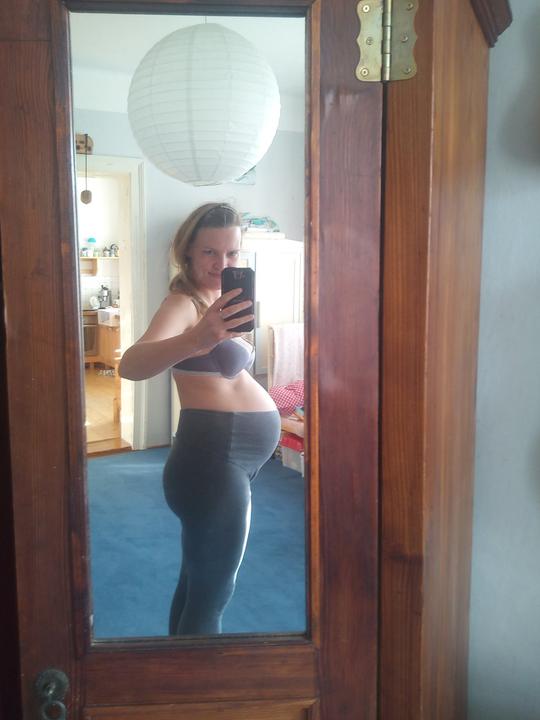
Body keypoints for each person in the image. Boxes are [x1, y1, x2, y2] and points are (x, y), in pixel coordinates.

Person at [119, 203, 281, 636]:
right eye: (210, 252)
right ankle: (197, 679)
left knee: (196, 583)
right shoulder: (183, 303)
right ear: (187, 251)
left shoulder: (223, 301)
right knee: (212, 597)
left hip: (225, 461)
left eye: (232, 253)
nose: (221, 263)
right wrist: (196, 338)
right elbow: (131, 365)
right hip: (212, 461)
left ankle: (175, 670)